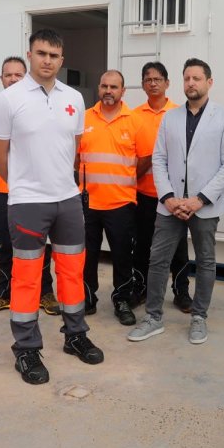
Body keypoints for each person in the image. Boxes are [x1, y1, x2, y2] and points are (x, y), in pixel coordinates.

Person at [0, 29, 104, 384]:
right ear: (30, 54)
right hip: (27, 203)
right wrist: (22, 183)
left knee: (72, 272)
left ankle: (75, 336)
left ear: (61, 60)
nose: (47, 60)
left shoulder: (74, 98)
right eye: (41, 54)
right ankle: (26, 349)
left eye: (54, 55)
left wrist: (59, 183)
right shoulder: (8, 100)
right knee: (26, 278)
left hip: (67, 200)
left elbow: (74, 147)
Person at [128, 58, 224, 345]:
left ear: (209, 82)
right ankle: (153, 317)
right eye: (187, 78)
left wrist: (199, 200)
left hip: (205, 205)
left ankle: (199, 317)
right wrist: (168, 197)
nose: (191, 83)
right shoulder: (171, 117)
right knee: (157, 259)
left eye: (197, 78)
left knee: (205, 261)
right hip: (171, 204)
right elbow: (159, 159)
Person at [0, 56, 58, 317]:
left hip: (33, 194)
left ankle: (44, 292)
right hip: (1, 193)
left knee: (38, 245)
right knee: (6, 247)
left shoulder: (40, 108)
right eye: (8, 75)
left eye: (18, 75)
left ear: (26, 77)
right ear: (1, 79)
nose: (12, 79)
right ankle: (5, 292)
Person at [78, 69, 143, 325]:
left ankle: (122, 300)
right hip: (87, 202)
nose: (108, 91)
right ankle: (86, 298)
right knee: (87, 255)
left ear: (123, 91)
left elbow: (146, 159)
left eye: (114, 87)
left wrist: (122, 179)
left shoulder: (134, 120)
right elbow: (73, 157)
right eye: (104, 86)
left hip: (121, 203)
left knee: (122, 256)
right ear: (98, 87)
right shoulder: (83, 119)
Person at [130, 61, 191, 312]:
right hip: (145, 193)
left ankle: (182, 291)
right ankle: (141, 288)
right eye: (148, 79)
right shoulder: (133, 116)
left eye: (158, 79)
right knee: (142, 245)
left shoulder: (180, 113)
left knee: (178, 247)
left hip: (175, 195)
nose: (153, 83)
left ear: (167, 83)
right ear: (143, 84)